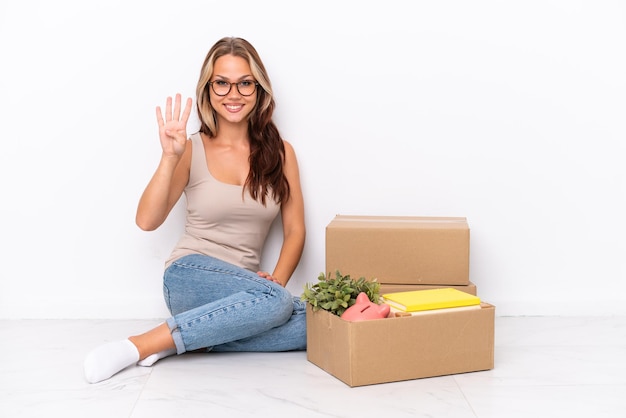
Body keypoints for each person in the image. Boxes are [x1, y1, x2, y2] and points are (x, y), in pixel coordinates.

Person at [83, 37, 307, 384]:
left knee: (313, 326)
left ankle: (187, 340)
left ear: (259, 89)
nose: (234, 94)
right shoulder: (191, 148)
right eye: (222, 83)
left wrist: (275, 283)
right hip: (190, 274)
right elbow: (146, 220)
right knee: (281, 306)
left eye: (245, 83)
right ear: (208, 89)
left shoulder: (282, 153)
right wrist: (169, 158)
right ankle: (139, 345)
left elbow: (295, 231)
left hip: (246, 293)